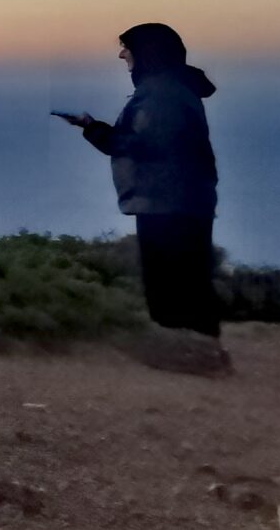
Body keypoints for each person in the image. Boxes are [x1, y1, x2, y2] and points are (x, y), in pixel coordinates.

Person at [63, 23, 228, 374]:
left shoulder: (160, 95)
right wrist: (92, 125)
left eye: (127, 48)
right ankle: (201, 356)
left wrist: (92, 128)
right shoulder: (175, 89)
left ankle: (190, 359)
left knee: (170, 283)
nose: (122, 54)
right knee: (188, 280)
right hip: (185, 199)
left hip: (167, 201)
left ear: (148, 53)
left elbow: (139, 144)